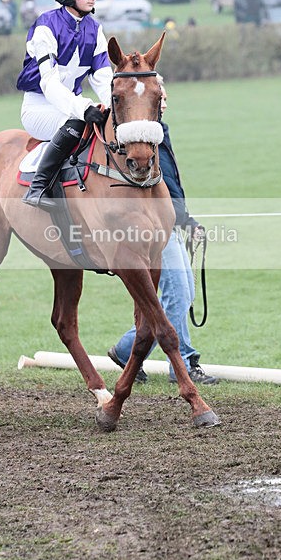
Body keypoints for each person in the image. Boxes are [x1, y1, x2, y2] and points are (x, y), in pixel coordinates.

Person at [108, 78, 219, 386]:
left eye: (164, 95)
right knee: (178, 294)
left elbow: (169, 186)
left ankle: (126, 348)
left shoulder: (159, 134)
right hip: (156, 226)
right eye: (162, 96)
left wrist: (187, 222)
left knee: (185, 293)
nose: (165, 100)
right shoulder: (143, 139)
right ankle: (180, 363)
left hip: (169, 221)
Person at [16, 0, 112, 210]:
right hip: (40, 107)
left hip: (73, 104)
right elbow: (49, 83)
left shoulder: (95, 28)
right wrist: (82, 108)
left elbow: (103, 78)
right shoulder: (45, 26)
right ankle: (38, 188)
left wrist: (117, 107)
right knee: (75, 124)